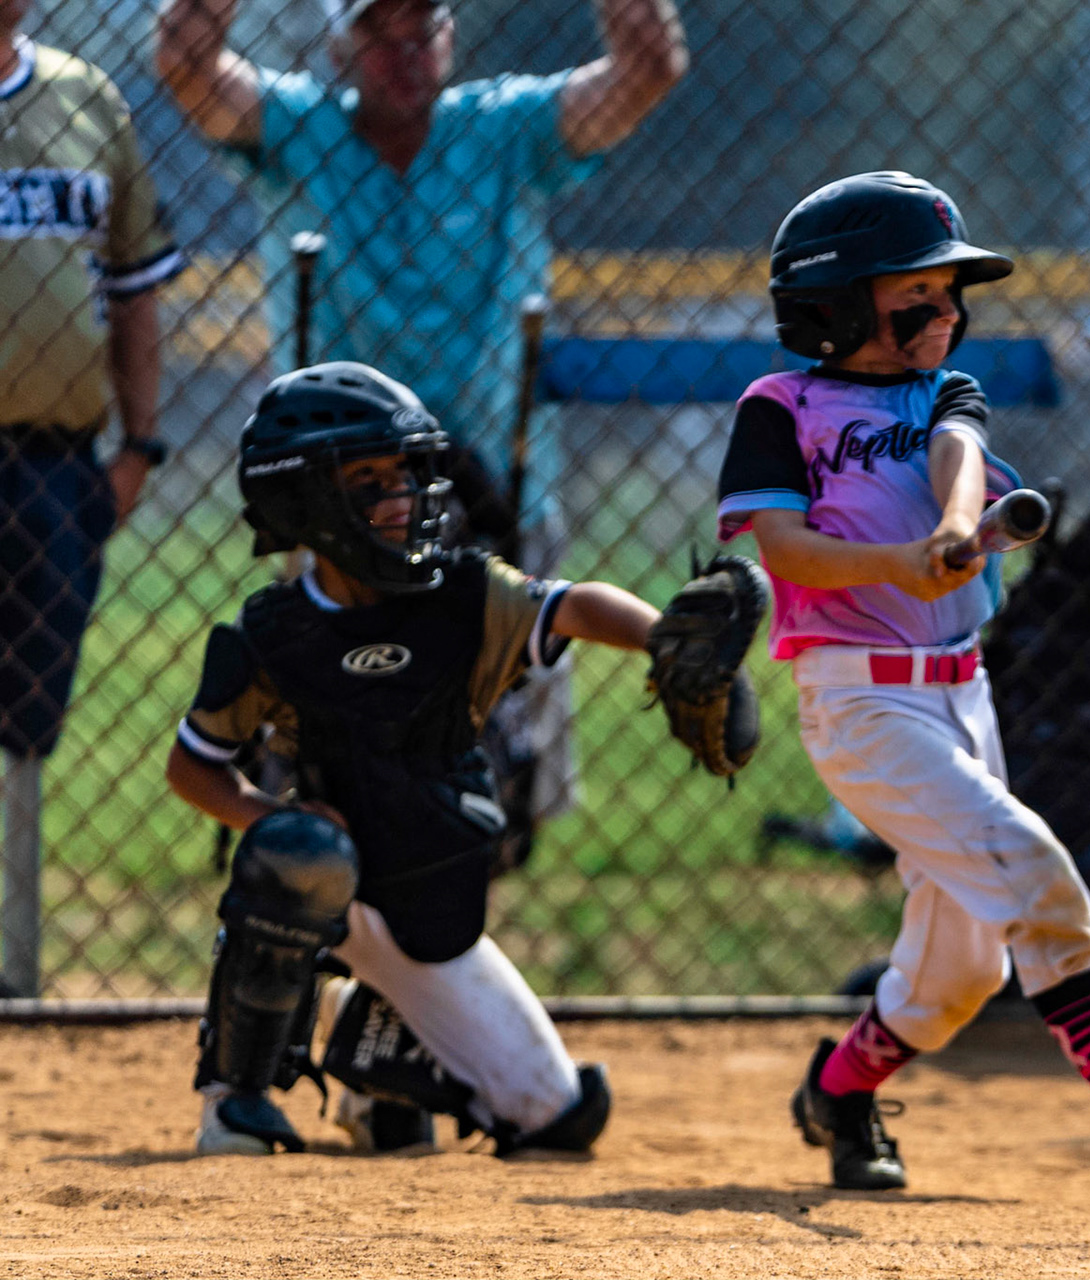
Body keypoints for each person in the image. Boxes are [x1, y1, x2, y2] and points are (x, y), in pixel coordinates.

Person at [716, 171, 1090, 1201]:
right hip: (864, 702)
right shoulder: (779, 407)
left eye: (951, 297)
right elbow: (789, 549)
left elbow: (958, 452)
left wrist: (952, 523)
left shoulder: (944, 391)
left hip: (964, 698)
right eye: (917, 298)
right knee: (1030, 865)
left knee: (962, 968)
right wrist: (899, 561)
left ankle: (839, 1090)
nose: (947, 315)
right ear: (836, 305)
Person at [155, 0, 690, 862]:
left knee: (499, 755)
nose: (404, 51)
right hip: (338, 497)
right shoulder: (301, 129)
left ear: (452, 38)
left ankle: (466, 917)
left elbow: (647, 71)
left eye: (423, 27)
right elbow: (187, 70)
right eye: (379, 32)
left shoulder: (505, 129)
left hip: (498, 482)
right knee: (336, 738)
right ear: (342, 45)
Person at [166, 361, 667, 1156]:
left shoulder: (464, 597)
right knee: (297, 851)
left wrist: (664, 640)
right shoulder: (273, 632)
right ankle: (235, 1098)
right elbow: (193, 766)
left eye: (404, 473)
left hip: (428, 892)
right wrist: (271, 817)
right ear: (306, 500)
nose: (400, 496)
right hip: (331, 890)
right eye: (368, 479)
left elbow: (573, 605)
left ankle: (369, 1057)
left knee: (555, 1118)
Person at [1, 0, 183, 766]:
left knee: (28, 735)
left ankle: (18, 889)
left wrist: (139, 445)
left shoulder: (86, 97)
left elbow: (134, 286)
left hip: (56, 464)